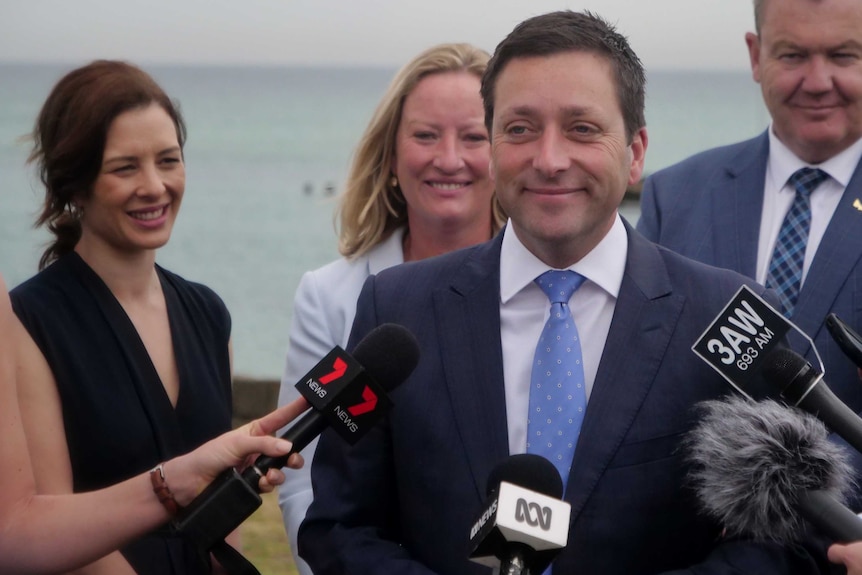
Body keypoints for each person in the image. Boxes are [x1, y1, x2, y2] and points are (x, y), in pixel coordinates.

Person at [297, 10, 829, 575]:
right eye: (520, 129)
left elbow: (788, 538)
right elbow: (339, 527)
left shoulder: (728, 319)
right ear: (495, 143)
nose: (549, 160)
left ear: (636, 152)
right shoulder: (395, 307)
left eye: (582, 128)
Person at [276, 42, 504, 575]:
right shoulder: (330, 297)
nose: (449, 158)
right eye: (425, 135)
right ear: (391, 156)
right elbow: (303, 477)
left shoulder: (550, 289)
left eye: (473, 137)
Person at [10, 60, 237, 574]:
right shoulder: (28, 324)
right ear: (74, 184)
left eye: (168, 160)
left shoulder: (208, 314)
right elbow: (44, 522)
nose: (155, 186)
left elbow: (225, 510)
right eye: (125, 167)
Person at [637, 0, 862, 423]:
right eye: (793, 55)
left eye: (842, 55)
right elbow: (637, 372)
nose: (817, 82)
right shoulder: (675, 196)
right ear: (756, 56)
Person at [0, 270, 305, 575]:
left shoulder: (207, 312)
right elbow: (21, 530)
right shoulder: (30, 316)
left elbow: (222, 523)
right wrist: (173, 484)